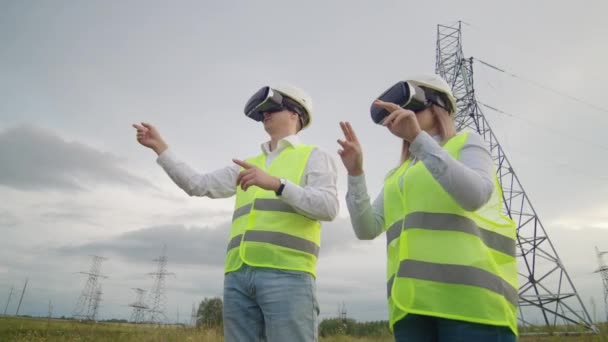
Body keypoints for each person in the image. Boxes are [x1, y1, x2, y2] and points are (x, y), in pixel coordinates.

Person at [133, 84, 338, 341]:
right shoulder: (248, 165)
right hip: (238, 277)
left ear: (296, 114)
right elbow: (198, 184)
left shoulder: (315, 156)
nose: (265, 114)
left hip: (288, 274)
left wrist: (278, 184)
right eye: (262, 111)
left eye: (272, 107)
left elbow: (328, 207)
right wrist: (161, 148)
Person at [337, 74, 517, 341]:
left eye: (408, 105)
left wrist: (418, 139)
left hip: (471, 302)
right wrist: (355, 174)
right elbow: (366, 229)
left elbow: (475, 196)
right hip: (411, 306)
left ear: (436, 104)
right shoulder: (398, 175)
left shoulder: (467, 143)